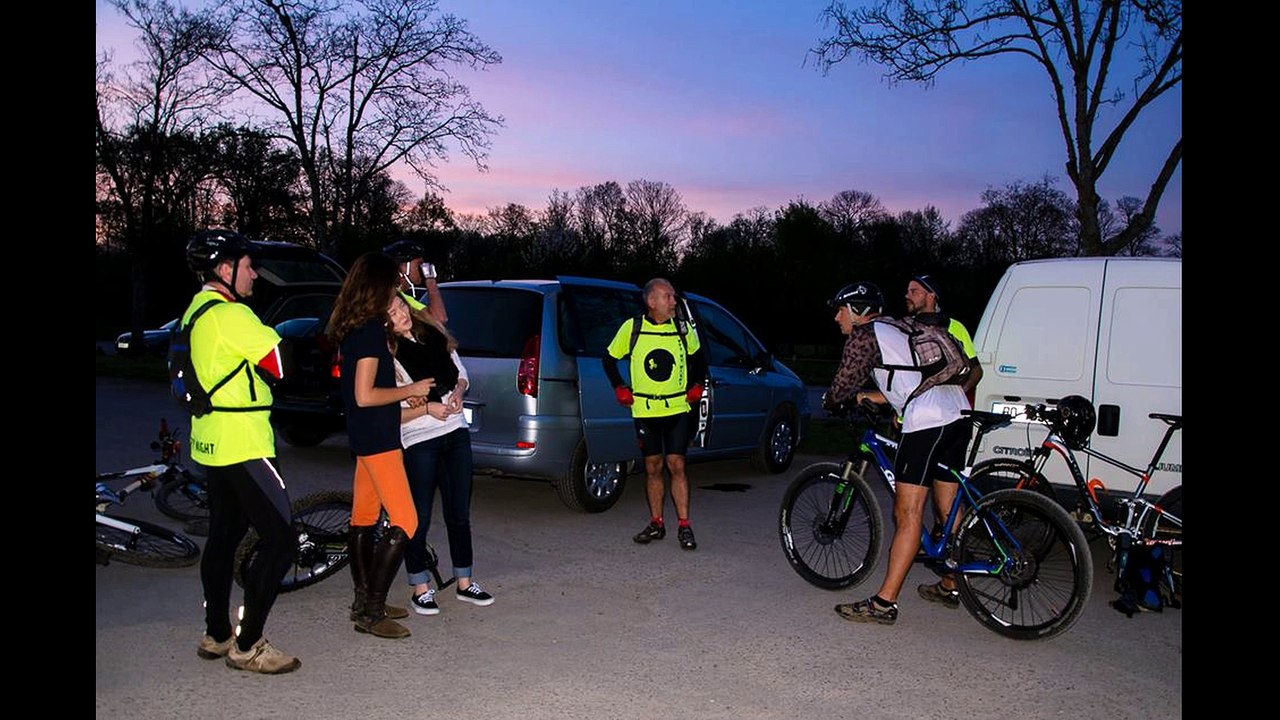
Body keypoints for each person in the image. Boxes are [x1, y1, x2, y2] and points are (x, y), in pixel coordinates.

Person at [823, 281, 973, 625]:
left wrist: (834, 401)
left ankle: (884, 604)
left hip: (927, 422)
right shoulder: (899, 327)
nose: (836, 318)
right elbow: (906, 381)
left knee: (908, 513)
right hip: (956, 412)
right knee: (948, 508)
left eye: (840, 310)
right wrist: (870, 398)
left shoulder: (864, 336)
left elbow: (841, 385)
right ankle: (950, 583)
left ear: (857, 311)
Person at [184, 229, 300, 674]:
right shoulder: (233, 316)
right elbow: (280, 363)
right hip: (243, 442)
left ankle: (216, 634)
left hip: (211, 441)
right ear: (225, 269)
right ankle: (248, 644)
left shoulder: (196, 311)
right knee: (281, 540)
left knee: (224, 537)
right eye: (249, 266)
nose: (255, 274)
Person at [325, 251, 435, 640]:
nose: (397, 290)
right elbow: (365, 394)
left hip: (365, 435)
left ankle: (363, 601)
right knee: (406, 519)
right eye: (392, 284)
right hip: (377, 439)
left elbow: (366, 394)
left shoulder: (357, 327)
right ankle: (371, 610)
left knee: (364, 518)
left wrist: (403, 399)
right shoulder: (370, 331)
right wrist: (411, 389)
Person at [387, 295, 495, 613]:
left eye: (401, 306)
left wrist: (459, 393)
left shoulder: (432, 334)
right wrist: (427, 409)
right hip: (420, 440)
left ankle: (465, 581)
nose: (401, 314)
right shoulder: (388, 355)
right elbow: (389, 410)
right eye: (391, 313)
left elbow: (461, 373)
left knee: (459, 513)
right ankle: (420, 586)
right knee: (417, 517)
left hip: (455, 432)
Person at [603, 278, 707, 550]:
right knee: (652, 467)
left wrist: (697, 385)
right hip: (646, 410)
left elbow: (700, 359)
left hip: (676, 408)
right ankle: (656, 523)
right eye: (668, 296)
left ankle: (684, 526)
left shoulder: (683, 329)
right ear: (651, 301)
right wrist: (619, 387)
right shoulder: (632, 328)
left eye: (673, 296)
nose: (674, 302)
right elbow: (609, 358)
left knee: (677, 464)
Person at [904, 274, 983, 408]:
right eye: (907, 291)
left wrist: (959, 393)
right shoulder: (905, 327)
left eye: (914, 291)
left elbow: (977, 370)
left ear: (931, 295)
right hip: (911, 411)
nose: (907, 296)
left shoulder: (955, 327)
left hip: (944, 413)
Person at [383, 238, 448, 324]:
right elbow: (439, 318)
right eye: (419, 265)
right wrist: (430, 279)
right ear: (403, 267)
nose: (422, 269)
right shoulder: (397, 299)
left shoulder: (395, 293)